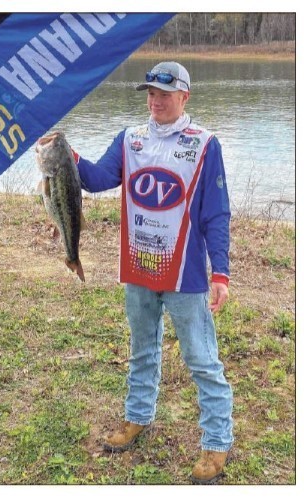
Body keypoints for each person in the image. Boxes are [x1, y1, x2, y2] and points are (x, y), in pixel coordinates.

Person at [70, 61, 233, 484]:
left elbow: (217, 214)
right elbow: (99, 178)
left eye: (165, 94)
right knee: (143, 349)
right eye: (151, 93)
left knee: (201, 359)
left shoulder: (204, 144)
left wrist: (222, 274)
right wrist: (67, 157)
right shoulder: (130, 139)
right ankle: (137, 417)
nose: (156, 101)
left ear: (184, 97)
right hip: (139, 267)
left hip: (186, 275)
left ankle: (217, 440)